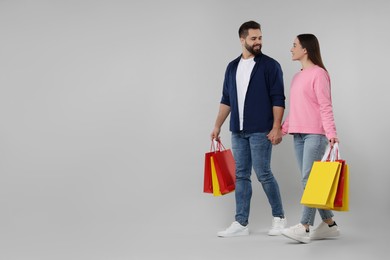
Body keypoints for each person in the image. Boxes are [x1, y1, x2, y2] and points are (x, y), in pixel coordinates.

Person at [210, 20, 287, 237]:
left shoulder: (270, 65)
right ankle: (241, 223)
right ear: (242, 40)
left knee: (263, 173)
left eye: (260, 38)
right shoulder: (232, 67)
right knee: (241, 175)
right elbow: (226, 100)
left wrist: (276, 127)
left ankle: (279, 218)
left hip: (261, 129)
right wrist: (217, 125)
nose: (258, 42)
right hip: (238, 131)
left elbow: (278, 98)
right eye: (254, 38)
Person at [281, 34, 340, 243]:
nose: (291, 49)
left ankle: (305, 226)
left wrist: (331, 133)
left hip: (315, 134)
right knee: (310, 181)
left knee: (310, 180)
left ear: (305, 49)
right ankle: (329, 224)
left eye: (294, 45)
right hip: (298, 135)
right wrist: (282, 130)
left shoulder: (319, 74)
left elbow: (325, 106)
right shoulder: (297, 77)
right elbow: (297, 109)